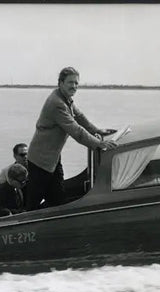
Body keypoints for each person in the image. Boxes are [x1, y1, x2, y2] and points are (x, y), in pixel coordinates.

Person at [25, 66, 118, 211]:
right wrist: (99, 144)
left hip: (53, 159)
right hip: (40, 161)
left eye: (76, 83)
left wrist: (97, 131)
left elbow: (80, 117)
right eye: (70, 82)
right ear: (60, 83)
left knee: (57, 198)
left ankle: (53, 226)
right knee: (33, 203)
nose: (74, 86)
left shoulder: (66, 99)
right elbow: (76, 130)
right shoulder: (57, 103)